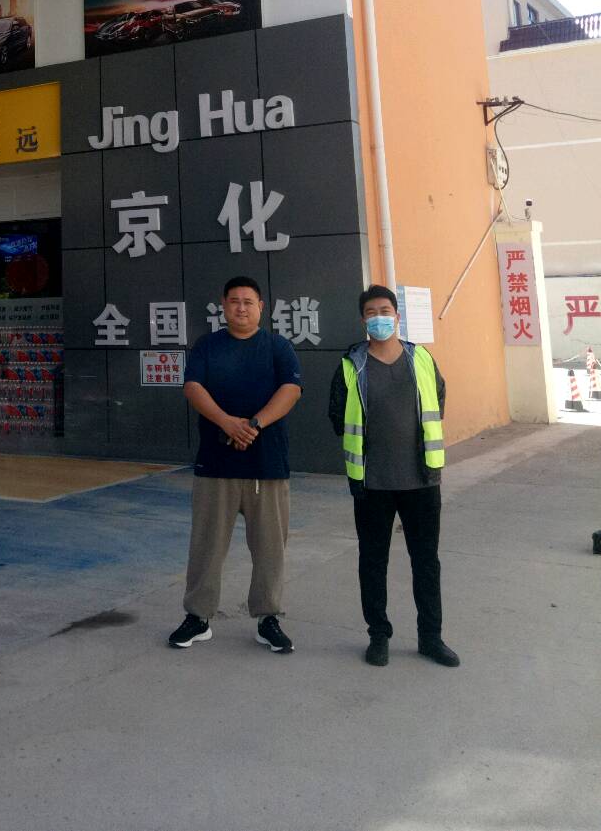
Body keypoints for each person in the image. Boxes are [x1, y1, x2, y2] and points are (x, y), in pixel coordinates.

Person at [169, 275, 303, 653]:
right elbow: (193, 387)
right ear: (223, 306)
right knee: (206, 546)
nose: (241, 308)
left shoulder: (278, 347)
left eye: (248, 301)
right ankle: (198, 617)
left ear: (261, 307)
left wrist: (254, 424)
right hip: (216, 465)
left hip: (267, 465)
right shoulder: (208, 346)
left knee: (270, 549)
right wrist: (226, 422)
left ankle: (268, 618)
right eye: (234, 301)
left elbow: (291, 390)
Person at [328, 285, 460, 668]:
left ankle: (431, 638)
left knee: (426, 562)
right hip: (372, 485)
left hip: (422, 481)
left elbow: (439, 398)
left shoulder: (421, 358)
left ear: (397, 316)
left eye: (385, 310)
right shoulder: (351, 365)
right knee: (373, 562)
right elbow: (337, 415)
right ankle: (378, 635)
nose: (379, 318)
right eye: (371, 312)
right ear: (363, 320)